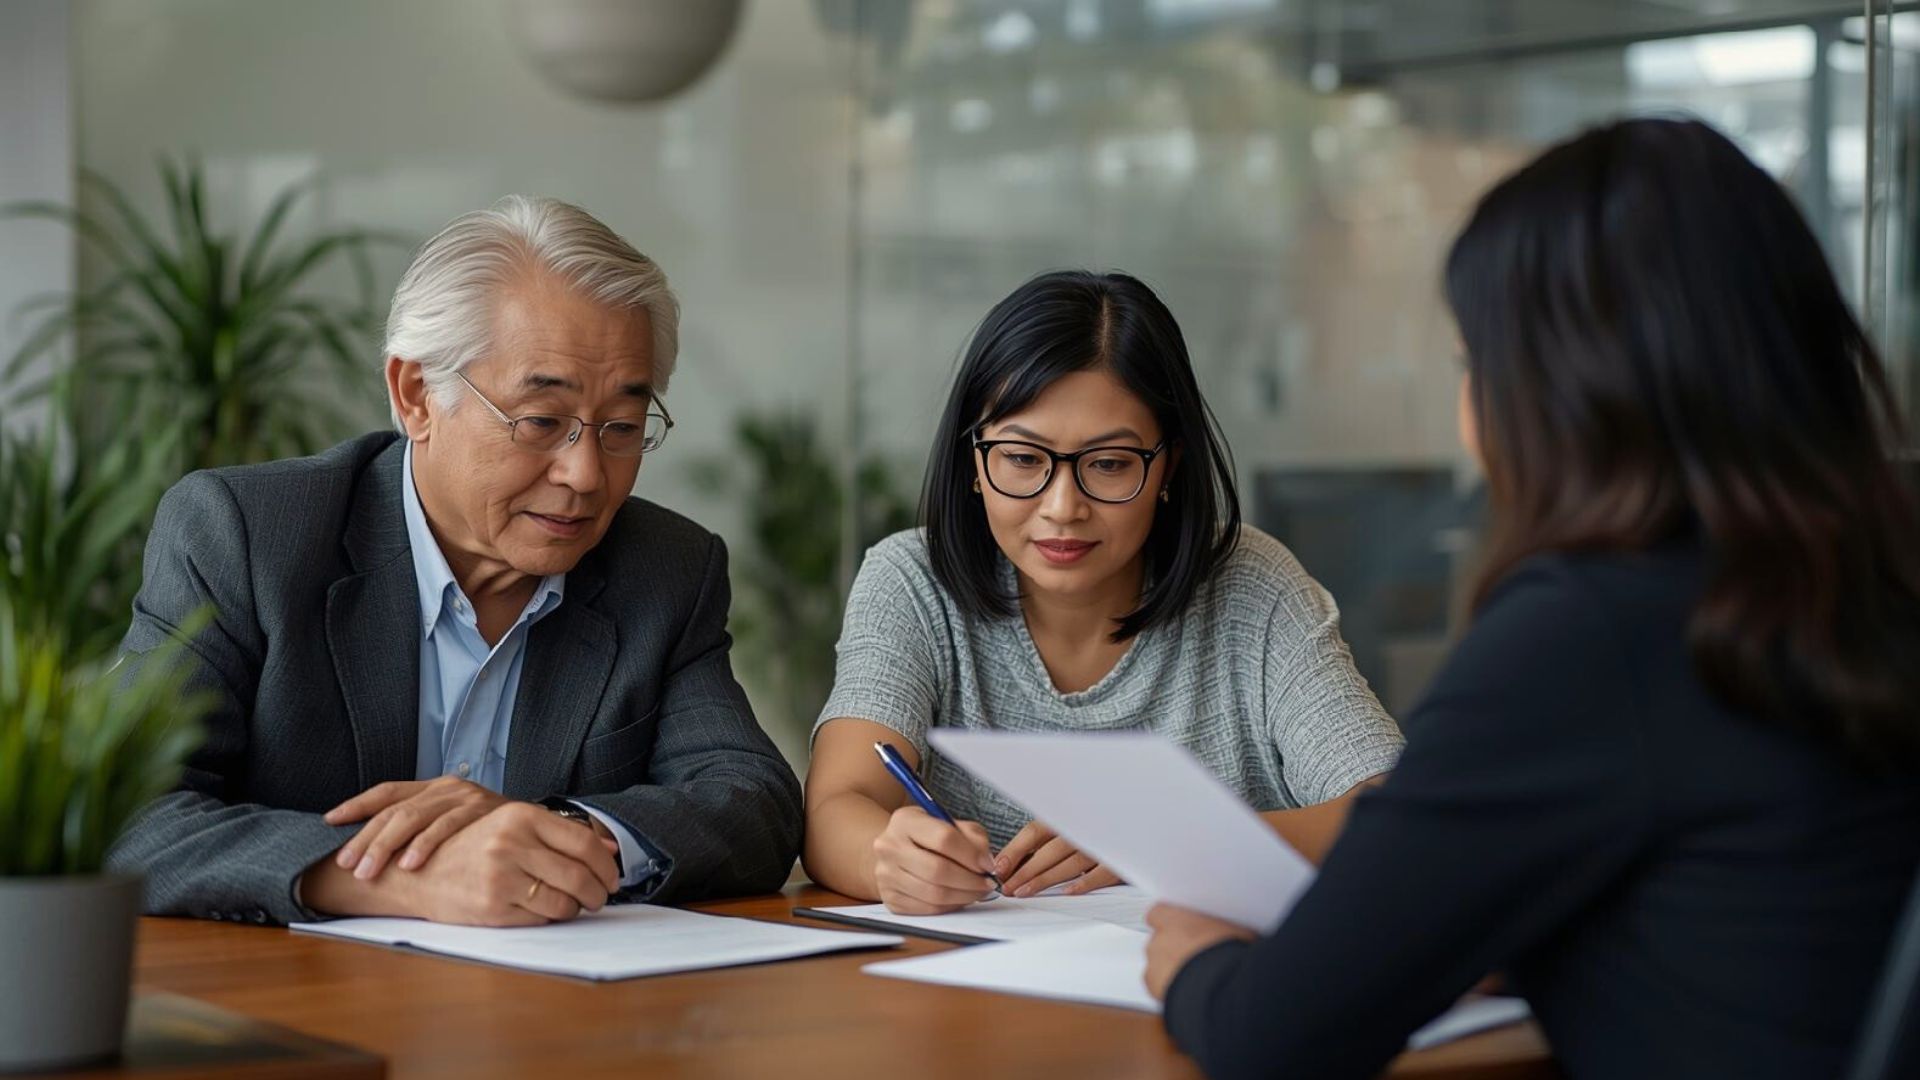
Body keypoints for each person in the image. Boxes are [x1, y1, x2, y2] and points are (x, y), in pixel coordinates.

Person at [1143, 117, 1920, 1079]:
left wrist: (1197, 966)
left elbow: (1277, 1037)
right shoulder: (1861, 582)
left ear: (1561, 389)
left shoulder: (1588, 633)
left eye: (1475, 365)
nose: (1469, 411)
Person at [106, 196, 802, 927]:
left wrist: (555, 837)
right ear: (416, 396)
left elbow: (754, 801)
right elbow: (123, 813)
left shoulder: (665, 568)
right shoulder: (247, 537)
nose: (587, 475)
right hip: (302, 1010)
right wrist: (398, 878)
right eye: (542, 421)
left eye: (622, 427)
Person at [803, 270, 1404, 914]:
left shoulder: (1252, 586)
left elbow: (1400, 812)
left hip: (1201, 987)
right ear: (974, 462)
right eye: (1023, 459)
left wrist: (1173, 840)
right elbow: (838, 806)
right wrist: (890, 861)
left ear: (1168, 466)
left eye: (1110, 464)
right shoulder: (914, 581)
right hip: (976, 997)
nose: (1063, 508)